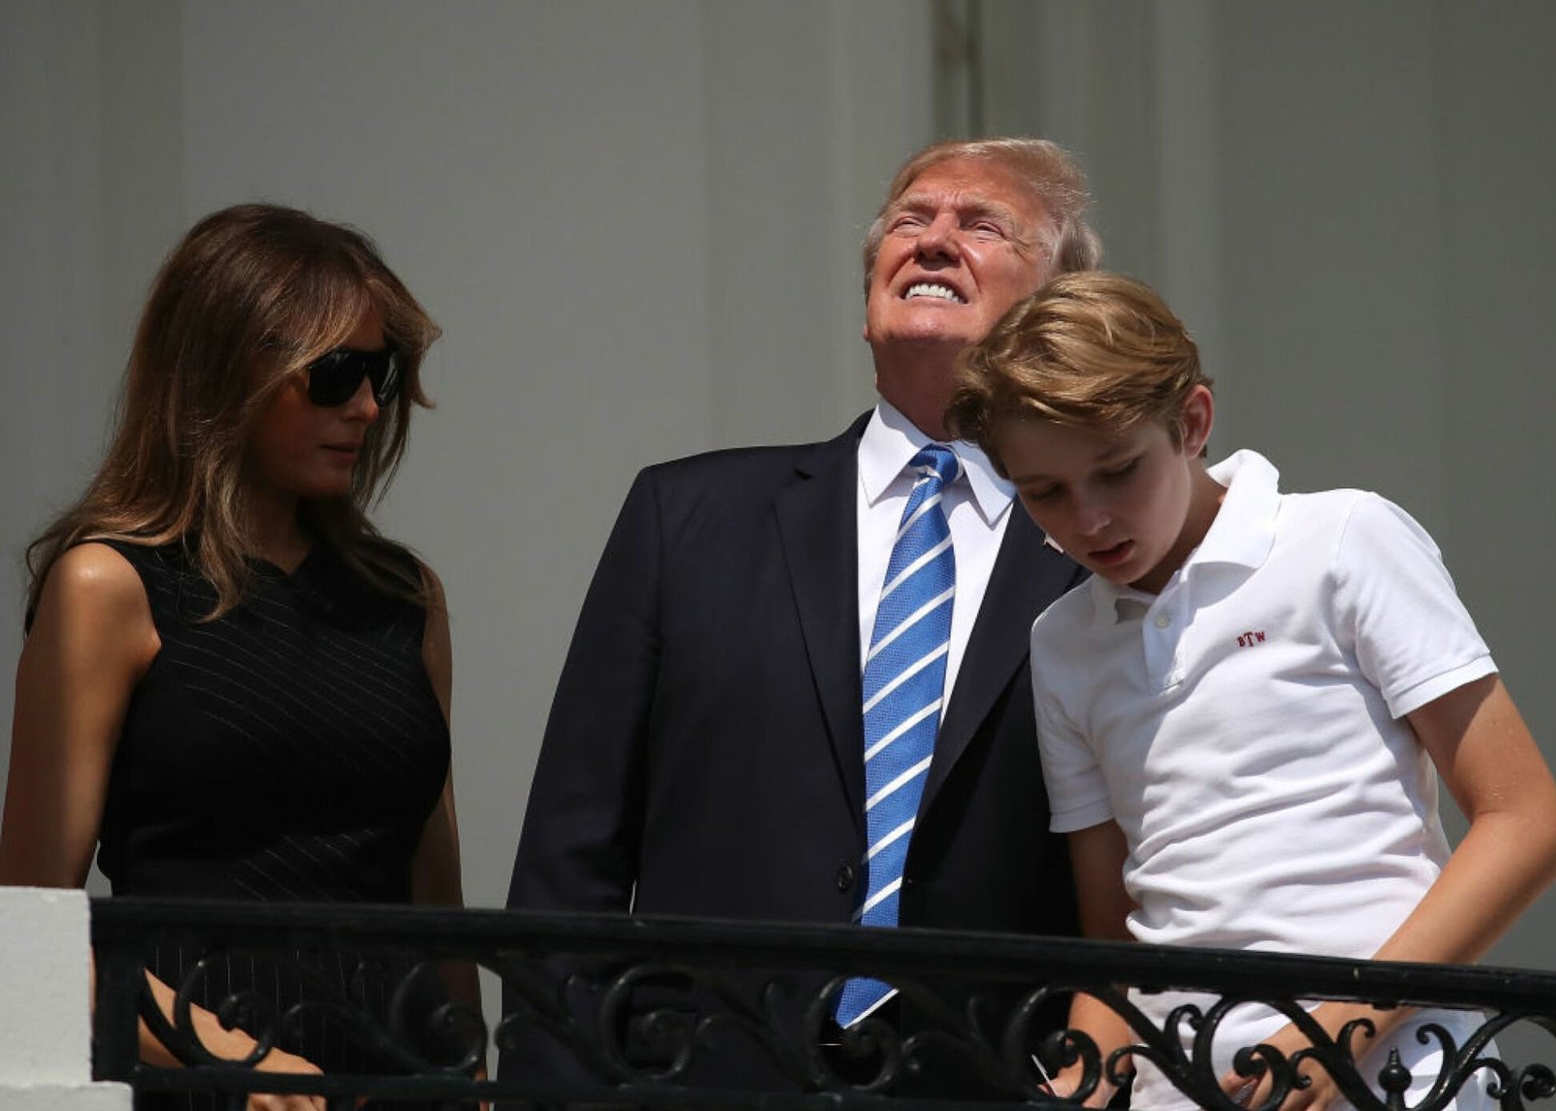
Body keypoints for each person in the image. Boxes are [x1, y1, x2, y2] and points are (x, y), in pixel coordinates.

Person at [502, 138, 1101, 1094]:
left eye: (981, 225)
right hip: (705, 1076)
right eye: (910, 221)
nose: (934, 240)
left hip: (993, 1080)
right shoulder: (685, 518)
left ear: (1059, 307)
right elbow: (570, 857)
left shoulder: (1097, 559)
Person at [945, 270, 1556, 1111]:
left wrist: (1340, 1029)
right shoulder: (1062, 642)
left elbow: (1527, 821)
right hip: (1176, 1090)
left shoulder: (1342, 539)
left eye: (1118, 469)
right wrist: (1087, 1078)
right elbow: (1116, 932)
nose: (1088, 519)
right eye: (1044, 492)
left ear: (1193, 423)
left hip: (1396, 1074)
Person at [0, 204, 477, 1111]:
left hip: (394, 1087)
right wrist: (231, 1058)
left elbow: (436, 905)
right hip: (193, 1083)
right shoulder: (108, 587)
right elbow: (29, 930)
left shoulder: (406, 597)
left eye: (380, 372)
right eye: (335, 373)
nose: (367, 407)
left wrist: (476, 1080)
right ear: (225, 372)